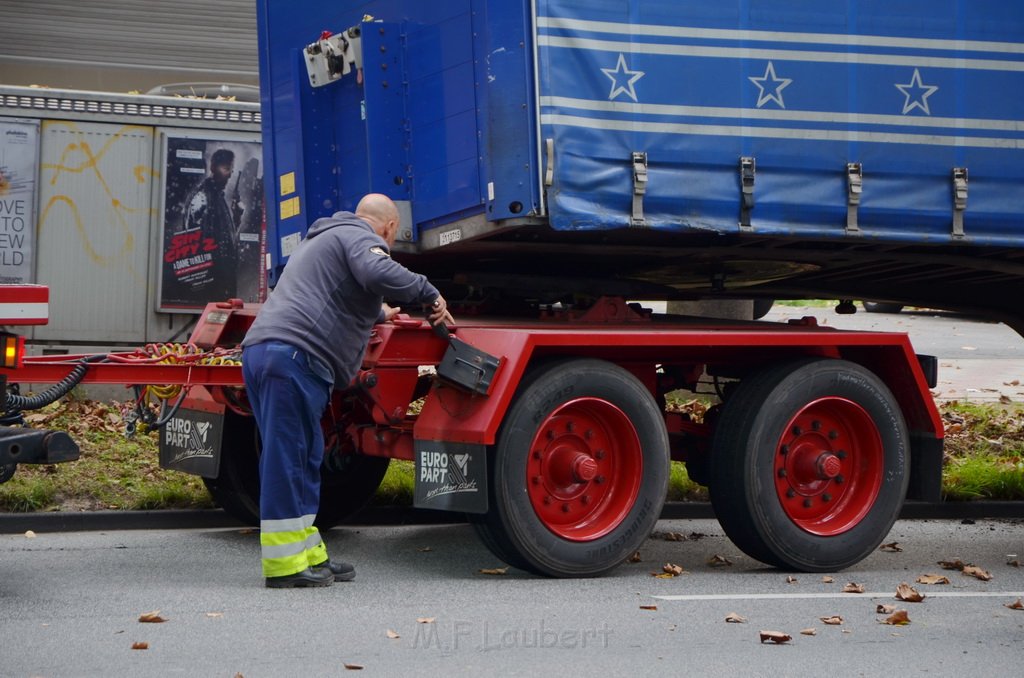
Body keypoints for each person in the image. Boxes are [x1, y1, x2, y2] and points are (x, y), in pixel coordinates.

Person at [240, 194, 452, 588]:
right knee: (289, 458)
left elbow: (342, 291)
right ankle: (285, 567)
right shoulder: (359, 235)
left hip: (274, 352)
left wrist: (383, 313)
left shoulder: (324, 238)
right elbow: (375, 270)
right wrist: (428, 292)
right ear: (389, 228)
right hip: (294, 356)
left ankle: (307, 553)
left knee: (303, 456)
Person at [182, 148, 240, 300]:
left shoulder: (216, 196)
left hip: (220, 283)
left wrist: (236, 218)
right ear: (213, 168)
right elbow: (196, 243)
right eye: (226, 168)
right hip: (212, 285)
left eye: (231, 170)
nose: (229, 175)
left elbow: (224, 239)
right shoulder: (203, 198)